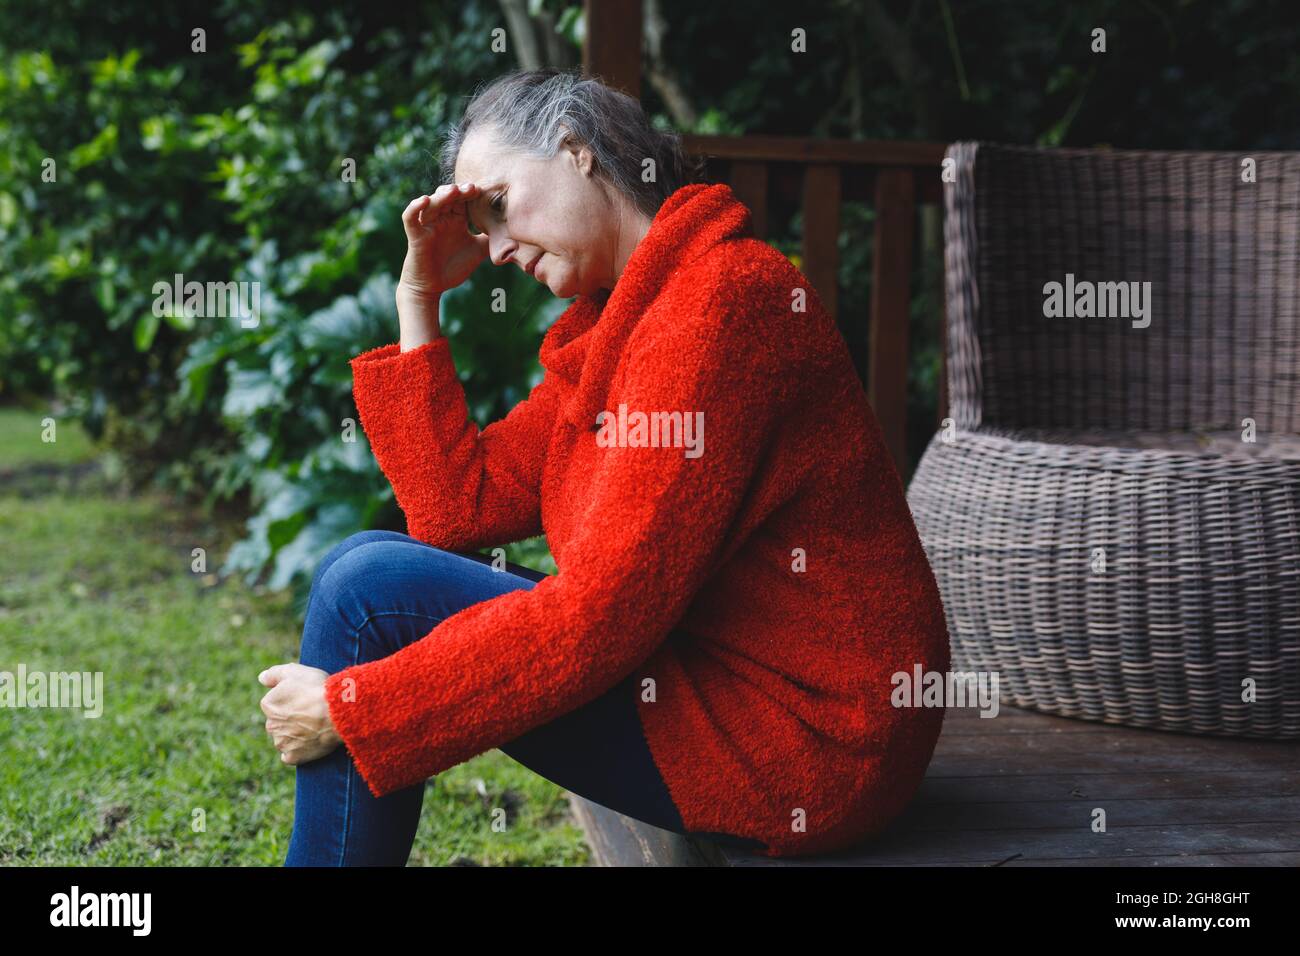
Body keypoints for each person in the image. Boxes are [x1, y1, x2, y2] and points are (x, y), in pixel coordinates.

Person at [259, 67, 951, 865]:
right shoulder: (625, 321)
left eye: (498, 208)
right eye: (480, 228)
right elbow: (458, 511)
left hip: (809, 738)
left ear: (576, 151)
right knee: (361, 567)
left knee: (364, 592)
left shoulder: (721, 304)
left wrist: (358, 709)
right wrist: (419, 298)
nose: (495, 250)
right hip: (715, 678)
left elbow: (602, 619)